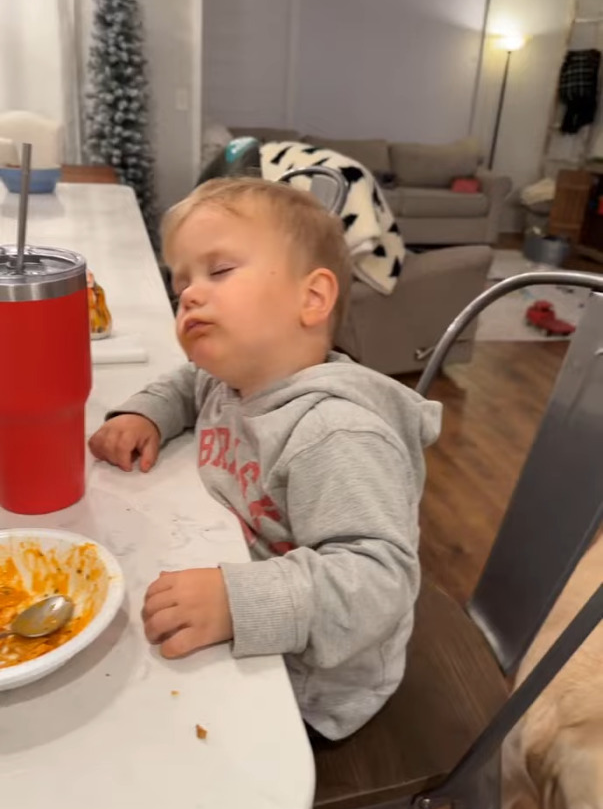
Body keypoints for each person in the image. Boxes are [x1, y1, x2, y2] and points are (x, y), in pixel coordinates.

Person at [89, 177, 441, 740]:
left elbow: (379, 581)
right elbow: (189, 383)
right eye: (181, 283)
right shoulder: (233, 379)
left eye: (219, 271)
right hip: (233, 584)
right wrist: (145, 414)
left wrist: (238, 602)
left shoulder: (334, 433)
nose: (190, 295)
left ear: (312, 298)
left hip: (311, 679)